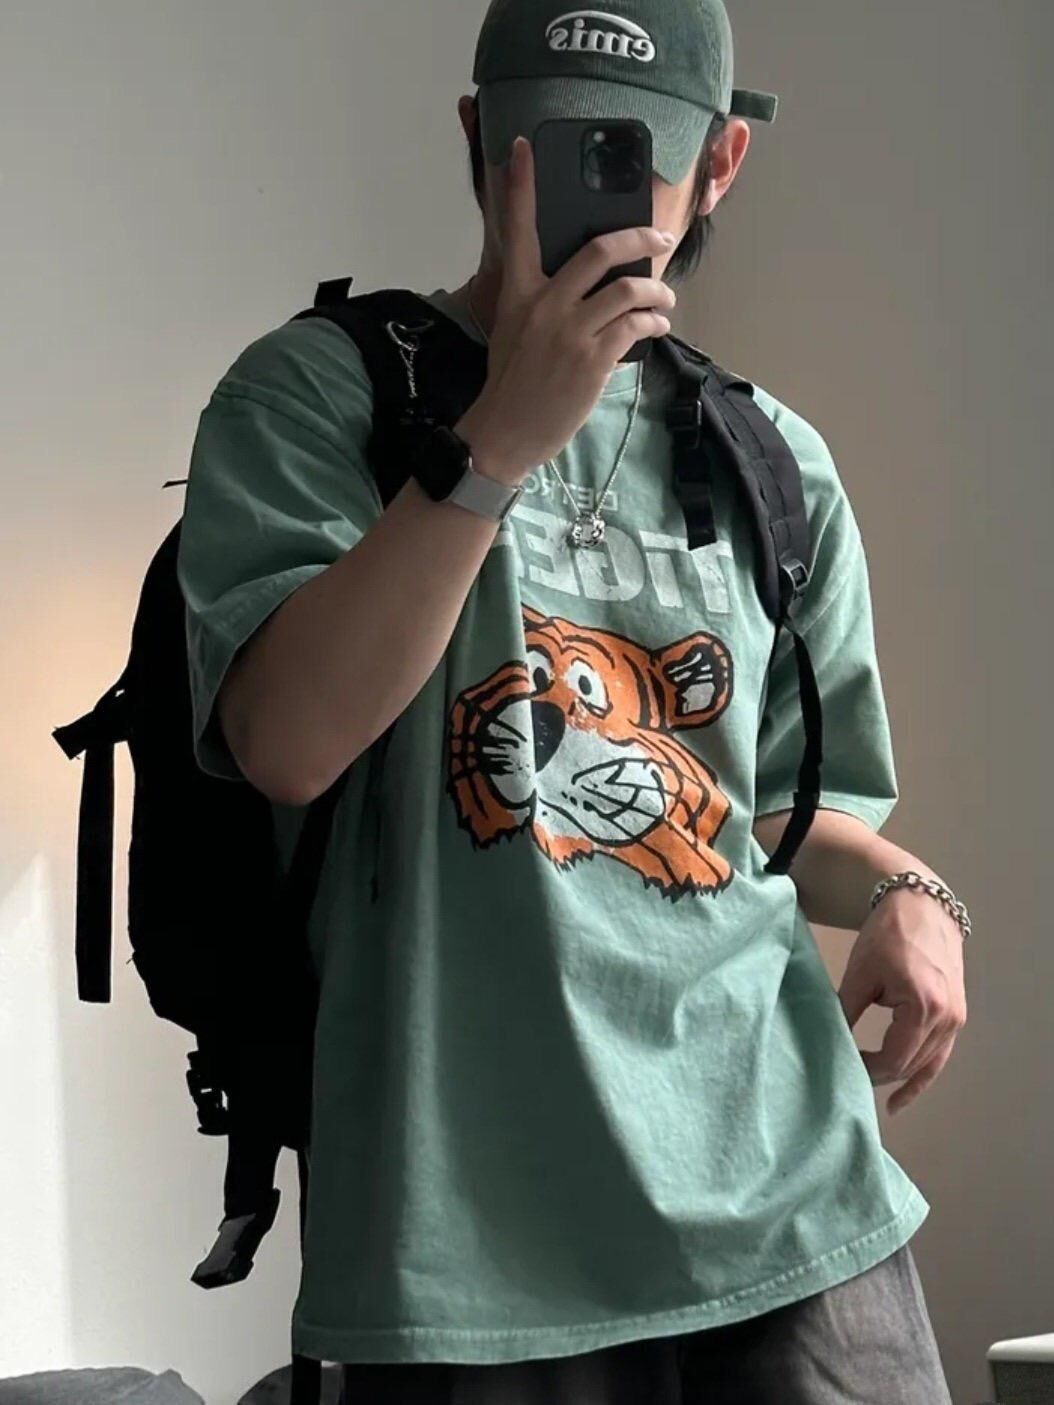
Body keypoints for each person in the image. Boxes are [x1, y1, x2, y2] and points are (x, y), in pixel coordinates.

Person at [176, 1, 969, 1400]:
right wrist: (501, 437)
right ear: (476, 140)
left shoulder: (769, 455)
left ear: (718, 165)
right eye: (540, 149)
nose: (582, 198)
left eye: (629, 159)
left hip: (792, 1192)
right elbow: (287, 742)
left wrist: (914, 892)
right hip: (467, 1237)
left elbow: (773, 819)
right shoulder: (315, 395)